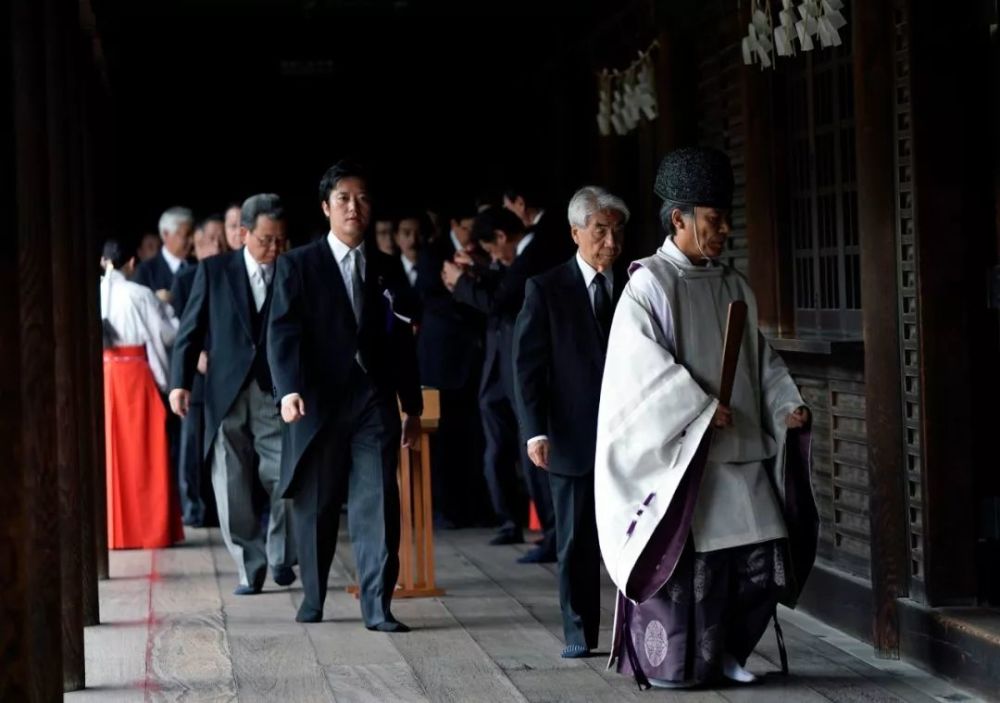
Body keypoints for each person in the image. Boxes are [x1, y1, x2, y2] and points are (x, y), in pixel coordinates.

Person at [594, 146, 818, 688]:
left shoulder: (733, 284)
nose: (723, 232)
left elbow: (756, 357)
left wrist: (785, 403)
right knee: (695, 575)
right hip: (685, 457)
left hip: (740, 450)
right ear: (680, 219)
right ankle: (682, 663)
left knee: (764, 564)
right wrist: (696, 408)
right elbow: (637, 367)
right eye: (714, 221)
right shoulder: (649, 284)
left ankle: (733, 652)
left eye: (724, 220)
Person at [268, 161, 422, 628]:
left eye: (362, 199)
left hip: (373, 398)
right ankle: (313, 597)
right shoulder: (298, 265)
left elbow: (403, 338)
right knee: (317, 504)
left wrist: (411, 405)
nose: (354, 207)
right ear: (325, 208)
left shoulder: (388, 265)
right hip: (317, 400)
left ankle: (378, 607)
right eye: (343, 199)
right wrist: (288, 389)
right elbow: (282, 330)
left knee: (379, 502)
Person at [512, 186, 629, 658]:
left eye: (617, 232)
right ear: (575, 232)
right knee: (576, 539)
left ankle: (637, 628)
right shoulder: (545, 287)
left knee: (636, 533)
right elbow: (528, 367)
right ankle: (579, 630)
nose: (610, 242)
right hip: (571, 432)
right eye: (600, 231)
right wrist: (535, 430)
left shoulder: (636, 283)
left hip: (629, 432)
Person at [169, 195, 296, 594]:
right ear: (243, 234)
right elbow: (189, 332)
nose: (274, 249)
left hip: (275, 392)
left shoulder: (292, 270)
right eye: (265, 240)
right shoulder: (213, 271)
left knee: (286, 476)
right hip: (224, 393)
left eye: (280, 241)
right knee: (231, 483)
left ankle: (279, 555)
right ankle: (249, 565)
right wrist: (180, 382)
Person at [444, 207, 556, 562]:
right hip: (497, 365)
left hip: (522, 366)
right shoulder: (513, 259)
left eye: (493, 251)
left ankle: (552, 534)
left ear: (503, 238)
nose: (494, 259)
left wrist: (460, 283)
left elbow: (500, 301)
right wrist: (475, 272)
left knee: (534, 446)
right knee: (501, 446)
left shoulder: (536, 254)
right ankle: (510, 520)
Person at [99, 239, 184, 549]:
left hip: (105, 374)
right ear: (132, 264)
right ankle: (146, 529)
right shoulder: (139, 293)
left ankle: (113, 531)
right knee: (143, 453)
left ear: (102, 261)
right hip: (134, 375)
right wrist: (166, 307)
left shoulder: (97, 292)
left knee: (111, 454)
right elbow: (165, 334)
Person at [415, 203, 490, 529]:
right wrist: (464, 293)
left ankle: (476, 506)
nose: (473, 235)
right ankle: (446, 509)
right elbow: (427, 300)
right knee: (444, 439)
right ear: (456, 223)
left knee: (474, 436)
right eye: (469, 227)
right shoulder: (433, 252)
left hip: (475, 358)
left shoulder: (480, 254)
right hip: (442, 358)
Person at [170, 214, 225, 527]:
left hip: (225, 370)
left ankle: (218, 509)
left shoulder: (231, 273)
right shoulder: (186, 277)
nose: (217, 245)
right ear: (197, 244)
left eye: (222, 239)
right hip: (198, 371)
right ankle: (192, 508)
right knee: (190, 445)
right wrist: (198, 357)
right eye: (210, 239)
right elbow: (182, 326)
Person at [132, 206, 195, 305]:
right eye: (186, 235)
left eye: (193, 234)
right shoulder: (145, 272)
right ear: (166, 234)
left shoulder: (197, 266)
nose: (191, 240)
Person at [394, 213, 422, 289]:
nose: (413, 240)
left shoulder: (436, 270)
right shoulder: (388, 271)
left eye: (419, 233)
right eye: (407, 233)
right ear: (396, 237)